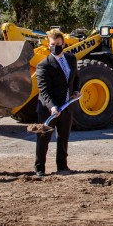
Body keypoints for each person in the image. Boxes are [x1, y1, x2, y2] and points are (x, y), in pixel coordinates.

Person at [34, 29, 79, 177]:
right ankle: (40, 168)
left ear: (64, 44)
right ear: (48, 45)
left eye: (58, 44)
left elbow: (75, 77)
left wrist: (76, 90)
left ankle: (62, 166)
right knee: (43, 138)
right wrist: (52, 106)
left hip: (67, 106)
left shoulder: (71, 59)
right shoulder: (43, 65)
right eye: (52, 44)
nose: (55, 47)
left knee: (63, 137)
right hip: (49, 109)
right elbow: (44, 90)